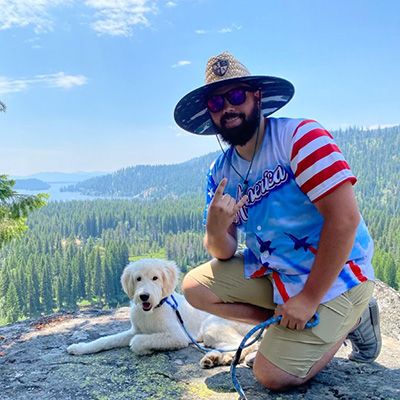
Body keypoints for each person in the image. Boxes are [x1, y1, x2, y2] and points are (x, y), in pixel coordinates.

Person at [173, 51, 381, 392]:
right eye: (216, 102)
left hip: (337, 275)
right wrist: (214, 229)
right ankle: (285, 323)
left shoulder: (300, 138)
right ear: (209, 114)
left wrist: (309, 298)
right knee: (196, 288)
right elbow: (222, 252)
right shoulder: (220, 171)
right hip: (279, 272)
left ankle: (354, 316)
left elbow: (344, 220)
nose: (227, 108)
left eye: (236, 95)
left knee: (272, 376)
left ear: (257, 98)